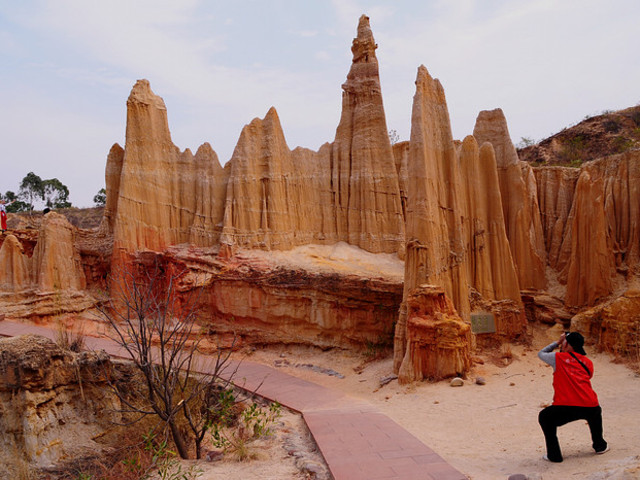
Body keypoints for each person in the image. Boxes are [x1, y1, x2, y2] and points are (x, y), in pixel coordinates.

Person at [538, 331, 609, 462]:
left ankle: (554, 455)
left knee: (545, 417)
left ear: (567, 344)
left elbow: (541, 354)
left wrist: (557, 342)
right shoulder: (587, 361)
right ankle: (600, 446)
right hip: (589, 403)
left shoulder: (557, 358)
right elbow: (588, 376)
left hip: (566, 405)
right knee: (595, 413)